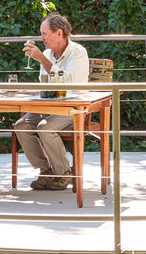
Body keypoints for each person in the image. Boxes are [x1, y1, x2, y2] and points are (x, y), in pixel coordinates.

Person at [15, 12, 90, 190]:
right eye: (41, 34)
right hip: (50, 105)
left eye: (45, 34)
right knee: (21, 125)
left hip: (74, 108)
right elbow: (45, 84)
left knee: (45, 127)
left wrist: (43, 60)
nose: (41, 38)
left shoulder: (78, 53)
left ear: (59, 33)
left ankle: (64, 173)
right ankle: (46, 171)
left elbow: (72, 85)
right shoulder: (48, 53)